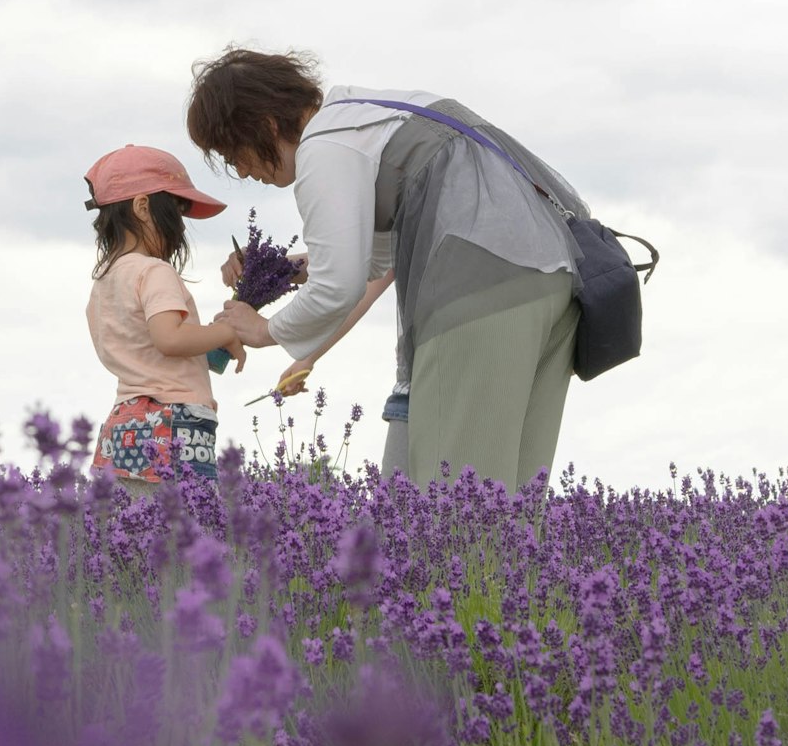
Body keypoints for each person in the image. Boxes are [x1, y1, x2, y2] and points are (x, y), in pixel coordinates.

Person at [186, 49, 591, 488]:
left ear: (263, 125)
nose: (241, 171)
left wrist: (263, 330)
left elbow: (338, 284)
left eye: (233, 153)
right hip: (552, 281)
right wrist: (276, 270)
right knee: (511, 503)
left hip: (479, 290)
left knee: (453, 505)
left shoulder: (324, 145)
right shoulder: (365, 118)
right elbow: (372, 259)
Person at [78, 144, 263, 485]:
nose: (180, 229)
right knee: (186, 531)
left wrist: (206, 338)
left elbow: (151, 347)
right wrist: (225, 334)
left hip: (122, 425)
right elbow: (170, 339)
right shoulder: (154, 272)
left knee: (133, 533)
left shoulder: (103, 283)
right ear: (143, 207)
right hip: (170, 425)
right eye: (175, 213)